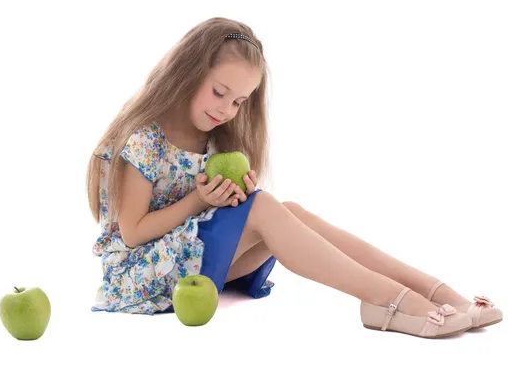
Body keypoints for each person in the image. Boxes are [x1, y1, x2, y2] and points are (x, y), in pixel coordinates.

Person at [85, 17, 502, 338]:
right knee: (265, 207)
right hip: (139, 277)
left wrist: (231, 199)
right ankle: (389, 300)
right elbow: (133, 233)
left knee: (288, 210)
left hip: (185, 262)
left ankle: (433, 291)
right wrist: (202, 202)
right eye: (218, 92)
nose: (226, 109)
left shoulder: (213, 140)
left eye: (238, 101)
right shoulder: (144, 139)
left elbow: (210, 219)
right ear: (188, 73)